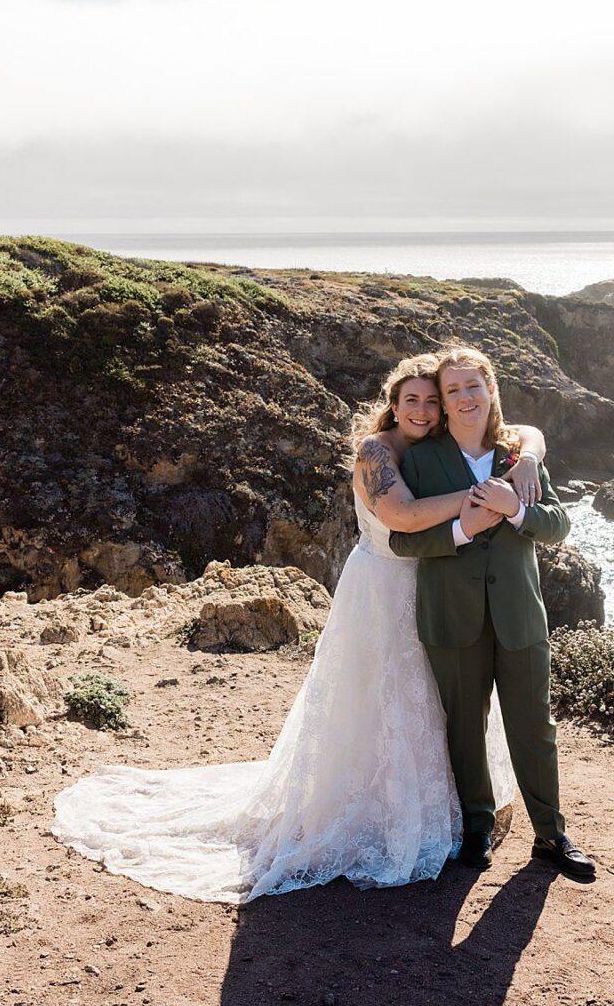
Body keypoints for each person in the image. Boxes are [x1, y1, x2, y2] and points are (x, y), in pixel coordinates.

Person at [50, 353, 547, 903]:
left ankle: (436, 805)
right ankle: (372, 810)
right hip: (383, 586)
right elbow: (402, 519)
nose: (426, 409)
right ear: (394, 404)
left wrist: (524, 461)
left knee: (434, 703)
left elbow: (523, 431)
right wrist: (489, 496)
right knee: (373, 701)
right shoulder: (376, 452)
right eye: (414, 399)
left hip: (435, 585)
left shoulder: (442, 448)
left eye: (435, 399)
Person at [388, 345, 595, 880]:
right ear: (444, 401)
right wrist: (463, 530)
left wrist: (516, 510)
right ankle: (475, 829)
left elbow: (557, 525)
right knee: (464, 728)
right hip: (452, 617)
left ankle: (551, 835)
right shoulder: (420, 459)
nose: (463, 397)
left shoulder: (518, 456)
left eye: (472, 387)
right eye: (452, 390)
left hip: (519, 615)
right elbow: (402, 541)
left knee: (535, 727)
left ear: (491, 391)